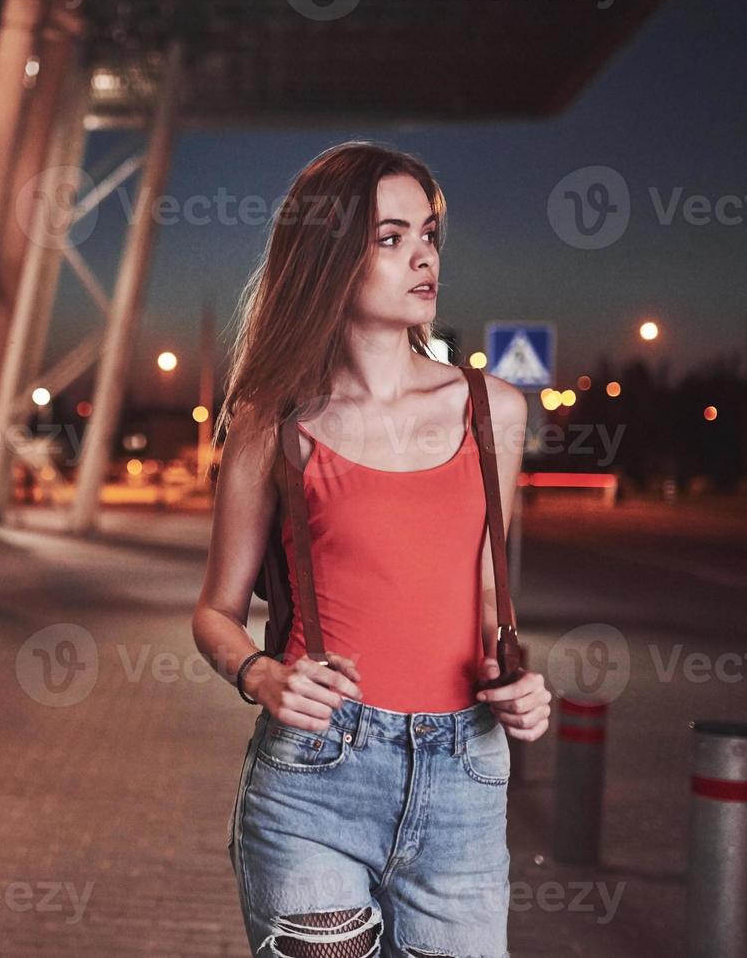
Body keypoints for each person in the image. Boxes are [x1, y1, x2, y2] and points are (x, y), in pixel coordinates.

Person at [193, 141, 552, 958]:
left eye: (426, 234)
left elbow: (489, 602)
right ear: (328, 257)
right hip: (316, 778)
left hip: (464, 778)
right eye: (390, 238)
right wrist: (260, 674)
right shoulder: (269, 420)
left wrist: (519, 686)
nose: (422, 255)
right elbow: (215, 611)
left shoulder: (491, 408)